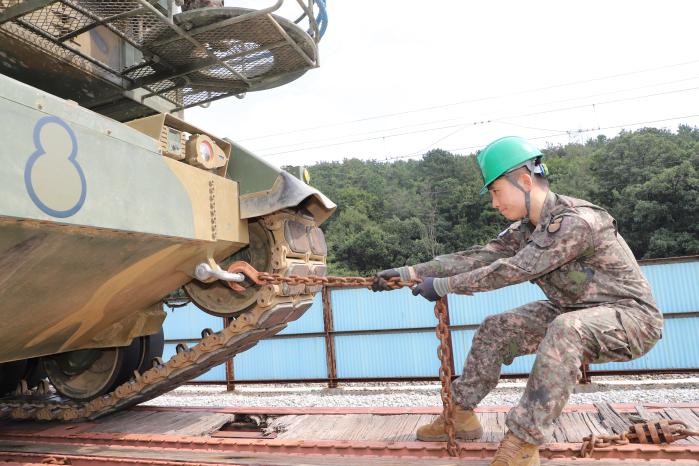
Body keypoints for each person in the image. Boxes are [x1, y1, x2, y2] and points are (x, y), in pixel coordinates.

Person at [372, 136, 663, 466]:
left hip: (631, 318)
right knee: (498, 328)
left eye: (496, 191)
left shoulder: (576, 222)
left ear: (524, 181)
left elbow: (513, 270)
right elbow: (478, 258)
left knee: (567, 329)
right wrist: (408, 272)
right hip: (573, 310)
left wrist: (441, 285)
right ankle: (462, 414)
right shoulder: (527, 229)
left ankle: (523, 443)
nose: (494, 203)